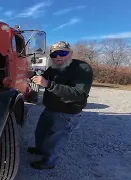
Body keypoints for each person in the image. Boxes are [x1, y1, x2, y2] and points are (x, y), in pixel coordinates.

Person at [29, 41, 94, 170]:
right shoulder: (54, 67)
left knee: (55, 138)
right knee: (41, 132)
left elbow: (79, 93)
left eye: (62, 53)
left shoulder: (82, 68)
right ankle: (41, 150)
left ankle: (49, 162)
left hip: (67, 112)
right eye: (54, 54)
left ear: (70, 53)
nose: (58, 57)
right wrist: (29, 75)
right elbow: (42, 77)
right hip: (50, 108)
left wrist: (48, 84)